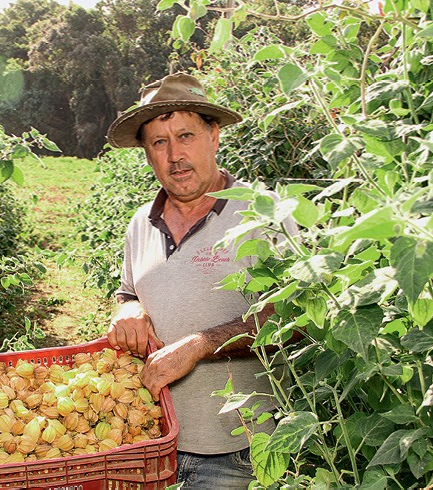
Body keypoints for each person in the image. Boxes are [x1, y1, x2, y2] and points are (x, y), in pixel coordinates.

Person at [105, 73, 295, 488]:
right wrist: (129, 309)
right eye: (159, 142)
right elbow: (127, 292)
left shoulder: (264, 214)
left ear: (214, 136)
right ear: (147, 154)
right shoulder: (141, 223)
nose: (175, 155)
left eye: (186, 135)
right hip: (146, 441)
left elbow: (295, 319)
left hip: (236, 449)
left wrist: (200, 345)